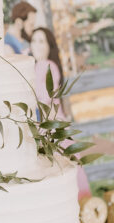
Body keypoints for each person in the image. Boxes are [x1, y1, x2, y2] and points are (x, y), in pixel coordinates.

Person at [30, 27, 91, 199]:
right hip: (54, 125)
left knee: (65, 171)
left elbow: (44, 96)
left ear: (49, 46)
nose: (36, 45)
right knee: (70, 169)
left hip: (53, 126)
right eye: (33, 40)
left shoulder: (46, 65)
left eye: (41, 41)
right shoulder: (42, 66)